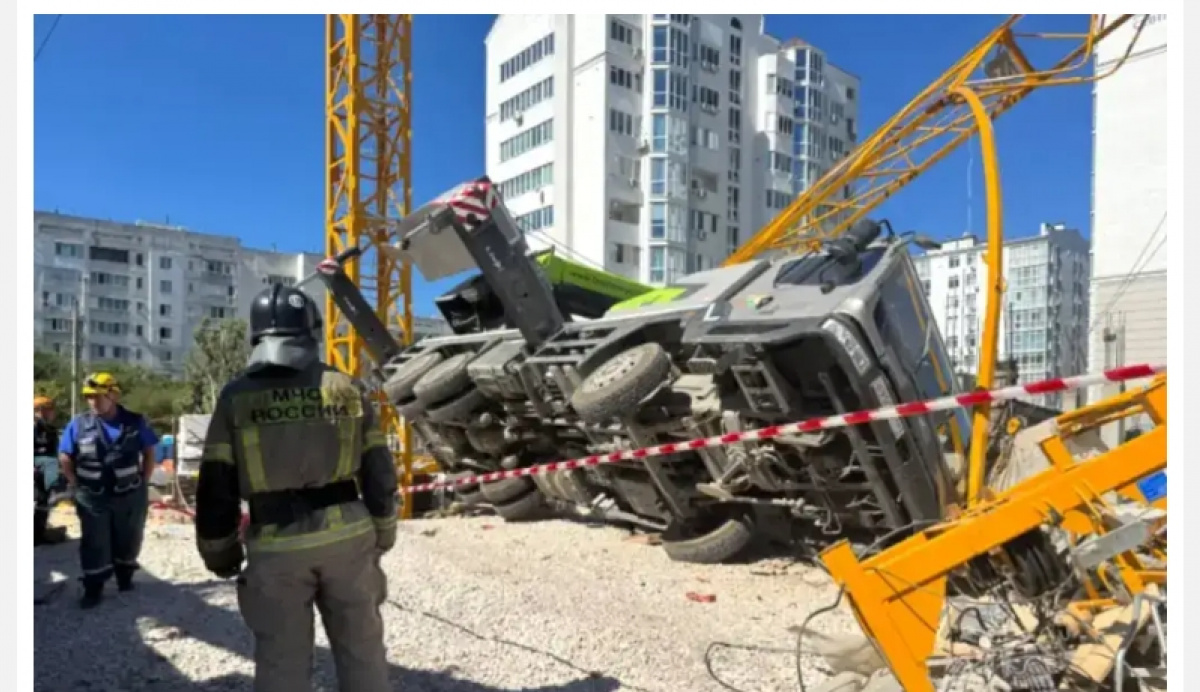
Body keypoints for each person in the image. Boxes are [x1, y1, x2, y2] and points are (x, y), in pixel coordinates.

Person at [194, 284, 398, 692]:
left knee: (281, 661)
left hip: (276, 547)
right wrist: (384, 529)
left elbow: (216, 483)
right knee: (363, 651)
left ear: (257, 336)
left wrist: (219, 551)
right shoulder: (347, 387)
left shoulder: (237, 396)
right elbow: (379, 469)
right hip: (349, 539)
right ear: (312, 332)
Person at [57, 372, 159, 608]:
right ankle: (93, 588)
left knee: (129, 537)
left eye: (98, 396)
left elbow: (149, 452)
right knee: (95, 540)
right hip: (92, 496)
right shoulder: (78, 424)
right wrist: (74, 483)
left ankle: (125, 577)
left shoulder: (135, 422)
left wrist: (144, 480)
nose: (93, 401)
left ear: (113, 395)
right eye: (89, 397)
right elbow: (65, 456)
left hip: (130, 493)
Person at [35, 396, 68, 546]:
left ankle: (38, 533)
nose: (53, 413)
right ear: (41, 410)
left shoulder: (50, 430)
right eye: (51, 409)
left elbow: (56, 452)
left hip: (46, 468)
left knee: (43, 500)